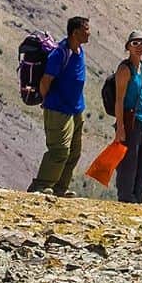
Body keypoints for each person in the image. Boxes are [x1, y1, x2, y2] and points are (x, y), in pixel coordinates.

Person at [28, 16, 89, 196]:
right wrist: (49, 102)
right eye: (86, 29)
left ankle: (59, 188)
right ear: (75, 32)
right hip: (59, 110)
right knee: (60, 149)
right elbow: (46, 81)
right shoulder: (60, 53)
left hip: (76, 110)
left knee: (74, 152)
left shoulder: (79, 51)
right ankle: (40, 186)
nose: (89, 33)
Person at [112, 31, 142, 204]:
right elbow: (119, 100)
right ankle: (125, 197)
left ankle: (137, 198)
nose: (139, 47)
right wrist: (120, 127)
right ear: (128, 46)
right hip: (130, 121)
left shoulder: (141, 67)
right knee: (129, 162)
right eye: (135, 43)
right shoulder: (125, 69)